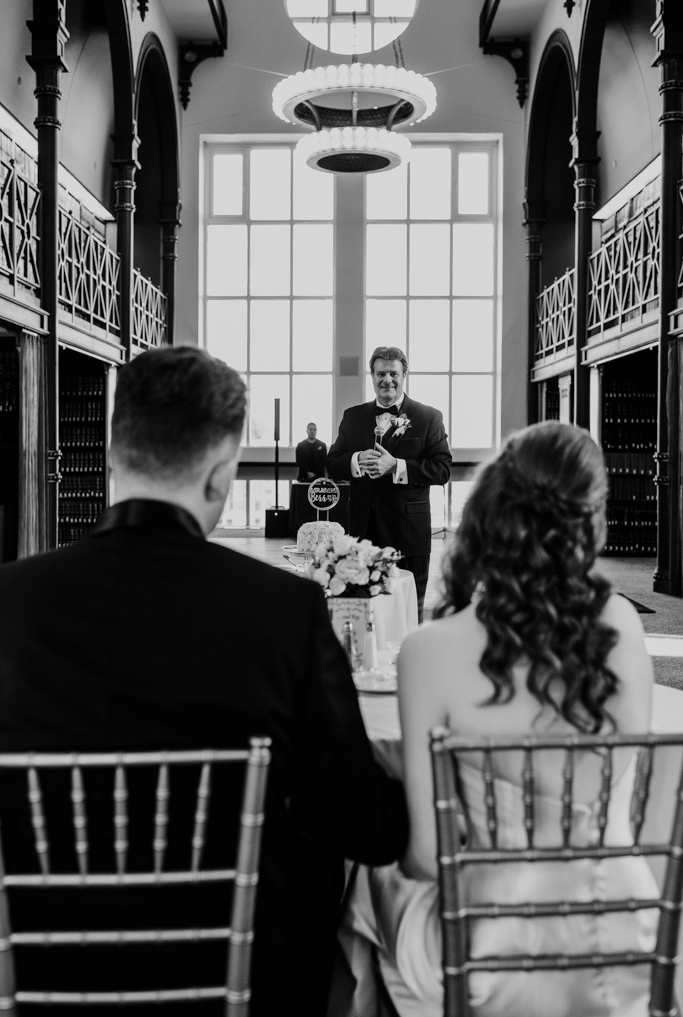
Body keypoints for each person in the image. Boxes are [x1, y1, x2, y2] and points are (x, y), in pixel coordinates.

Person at [0, 345, 408, 1017]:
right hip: (243, 974)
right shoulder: (284, 613)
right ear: (220, 475)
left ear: (111, 457)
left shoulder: (8, 606)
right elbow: (359, 824)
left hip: (37, 966)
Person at [340, 420, 657, 1017]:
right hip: (622, 926)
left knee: (364, 886)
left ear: (487, 514)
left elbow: (427, 858)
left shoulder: (430, 649)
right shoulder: (624, 626)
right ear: (590, 519)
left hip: (487, 941)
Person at [326, 346, 451, 621]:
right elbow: (332, 463)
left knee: (408, 613)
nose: (387, 380)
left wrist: (396, 465)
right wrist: (357, 460)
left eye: (393, 373)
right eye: (381, 373)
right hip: (363, 534)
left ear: (404, 374)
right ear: (372, 375)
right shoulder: (353, 416)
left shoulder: (429, 417)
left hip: (409, 534)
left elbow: (442, 470)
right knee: (365, 611)